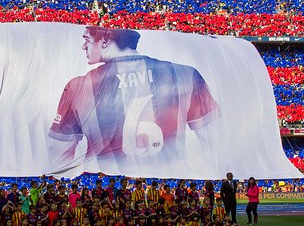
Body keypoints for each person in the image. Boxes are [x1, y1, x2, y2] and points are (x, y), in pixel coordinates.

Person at [48, 26, 220, 173]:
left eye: (87, 39)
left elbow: (59, 156)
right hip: (167, 184)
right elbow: (214, 143)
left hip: (106, 190)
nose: (83, 46)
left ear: (105, 41)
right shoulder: (186, 74)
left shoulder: (78, 87)